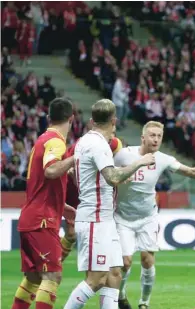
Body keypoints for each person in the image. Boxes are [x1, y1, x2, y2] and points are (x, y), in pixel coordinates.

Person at [63, 99, 155, 309]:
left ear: (91, 121)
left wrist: (121, 178)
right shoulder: (97, 144)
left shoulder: (84, 142)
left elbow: (86, 179)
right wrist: (139, 162)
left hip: (103, 218)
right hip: (95, 219)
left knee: (115, 273)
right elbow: (112, 176)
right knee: (96, 279)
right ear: (114, 121)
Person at [114, 121, 195, 309]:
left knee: (148, 260)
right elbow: (106, 173)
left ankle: (144, 303)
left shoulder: (162, 158)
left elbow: (193, 173)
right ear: (143, 138)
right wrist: (120, 173)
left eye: (159, 136)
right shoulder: (124, 155)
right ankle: (120, 296)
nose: (155, 139)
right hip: (123, 217)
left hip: (147, 218)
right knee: (125, 262)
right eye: (152, 135)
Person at [11, 97, 76, 309]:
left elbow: (42, 183)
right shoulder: (56, 142)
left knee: (33, 279)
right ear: (72, 119)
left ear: (48, 118)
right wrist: (75, 159)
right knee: (52, 277)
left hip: (31, 217)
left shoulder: (42, 139)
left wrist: (62, 207)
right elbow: (50, 170)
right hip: (42, 221)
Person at [60, 135, 123, 261]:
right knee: (71, 234)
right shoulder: (83, 143)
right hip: (68, 189)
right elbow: (67, 161)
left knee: (74, 235)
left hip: (87, 192)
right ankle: (51, 266)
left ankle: (54, 265)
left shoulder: (115, 144)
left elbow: (114, 163)